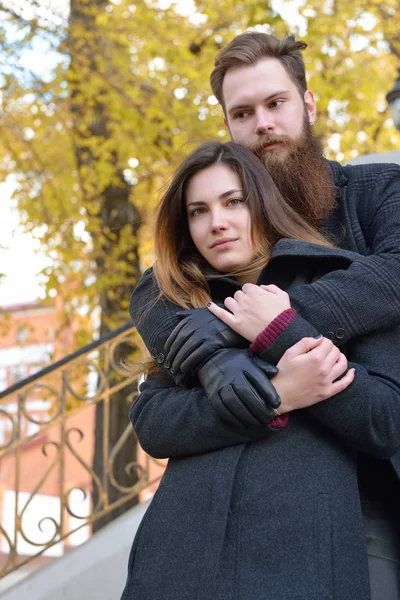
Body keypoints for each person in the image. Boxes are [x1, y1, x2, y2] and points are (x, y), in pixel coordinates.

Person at [128, 32, 400, 599]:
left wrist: (255, 325)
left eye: (275, 103)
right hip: (234, 497)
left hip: (370, 480)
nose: (263, 124)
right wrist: (212, 362)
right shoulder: (214, 258)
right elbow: (158, 289)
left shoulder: (377, 194)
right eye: (243, 113)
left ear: (308, 104)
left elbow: (392, 276)